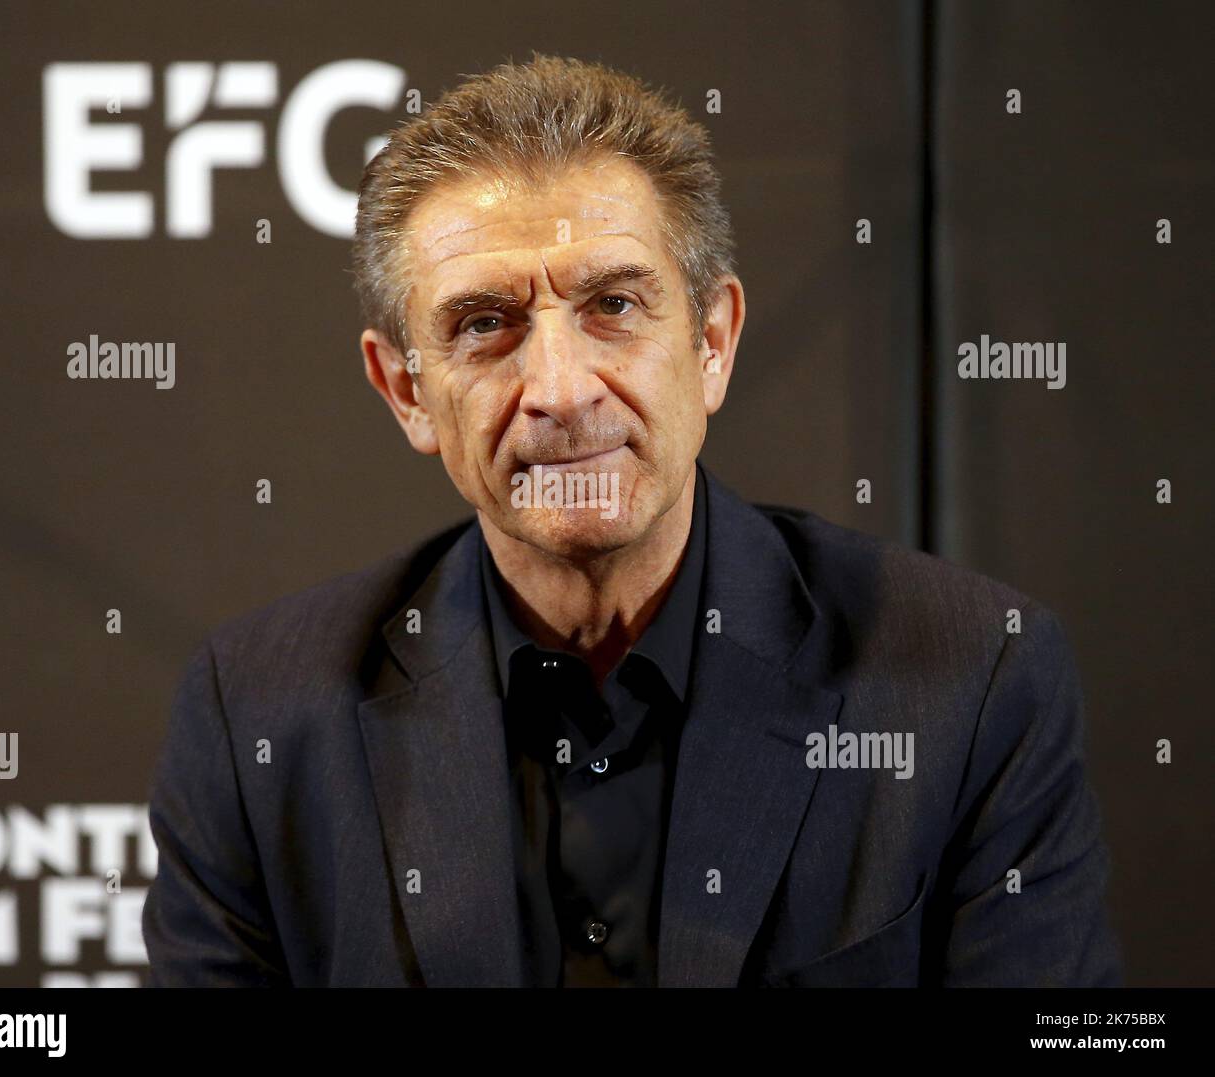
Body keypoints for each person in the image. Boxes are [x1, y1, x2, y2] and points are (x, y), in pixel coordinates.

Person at [141, 53, 1121, 987]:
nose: (561, 392)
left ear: (712, 343)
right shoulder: (260, 714)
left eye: (613, 304)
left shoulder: (966, 677)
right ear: (404, 389)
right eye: (485, 325)